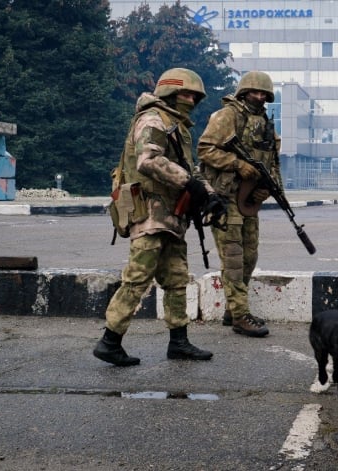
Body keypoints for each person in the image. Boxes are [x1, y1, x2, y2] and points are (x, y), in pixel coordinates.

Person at [93, 68, 225, 366]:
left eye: (195, 95)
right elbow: (148, 160)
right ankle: (109, 341)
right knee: (138, 277)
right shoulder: (153, 119)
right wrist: (188, 183)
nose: (191, 100)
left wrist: (210, 194)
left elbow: (189, 171)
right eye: (185, 94)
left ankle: (179, 342)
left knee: (177, 278)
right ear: (169, 92)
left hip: (171, 217)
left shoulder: (177, 126)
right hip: (151, 214)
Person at [197, 71, 283, 338]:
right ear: (243, 92)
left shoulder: (265, 122)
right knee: (233, 259)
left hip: (247, 199)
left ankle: (234, 309)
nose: (259, 97)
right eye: (254, 92)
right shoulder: (228, 116)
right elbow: (205, 149)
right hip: (224, 198)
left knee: (249, 256)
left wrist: (269, 189)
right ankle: (241, 316)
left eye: (264, 94)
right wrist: (237, 164)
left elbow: (272, 161)